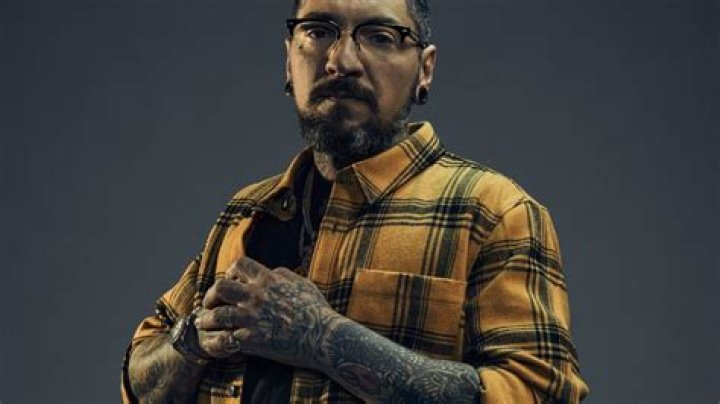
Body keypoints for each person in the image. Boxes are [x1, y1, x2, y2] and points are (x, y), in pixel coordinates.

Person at [122, 0, 589, 402]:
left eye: (380, 37)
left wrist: (321, 337)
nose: (340, 61)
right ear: (288, 60)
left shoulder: (493, 211)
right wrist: (193, 338)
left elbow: (540, 394)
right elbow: (139, 379)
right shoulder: (247, 210)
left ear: (425, 69)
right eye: (318, 31)